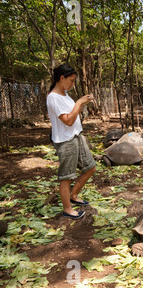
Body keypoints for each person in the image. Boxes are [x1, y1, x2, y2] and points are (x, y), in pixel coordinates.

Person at [46, 64, 96, 219]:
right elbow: (67, 120)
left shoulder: (65, 94)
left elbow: (73, 115)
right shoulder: (53, 97)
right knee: (66, 177)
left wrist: (81, 104)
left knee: (90, 168)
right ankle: (67, 210)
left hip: (76, 136)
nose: (73, 84)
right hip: (65, 141)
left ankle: (73, 195)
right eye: (71, 80)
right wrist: (79, 103)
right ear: (62, 78)